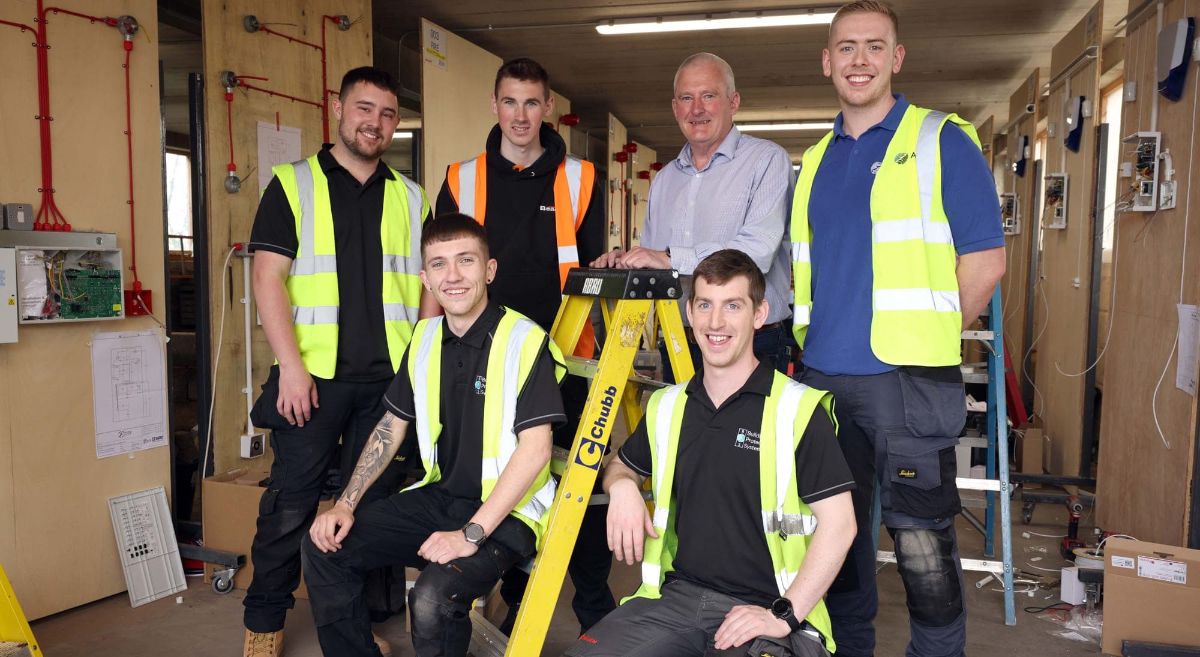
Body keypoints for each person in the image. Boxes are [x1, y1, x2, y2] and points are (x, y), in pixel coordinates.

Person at [790, 3, 1006, 657]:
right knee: (837, 537)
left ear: (897, 57)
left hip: (909, 382)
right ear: (827, 61)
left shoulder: (943, 140)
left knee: (922, 545)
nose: (860, 60)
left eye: (874, 47)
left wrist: (934, 330)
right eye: (846, 48)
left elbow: (987, 260)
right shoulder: (816, 159)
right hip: (826, 379)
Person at [567, 249, 857, 657]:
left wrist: (784, 614)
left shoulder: (797, 410)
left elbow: (841, 526)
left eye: (732, 306)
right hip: (678, 601)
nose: (715, 323)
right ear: (690, 312)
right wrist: (623, 489)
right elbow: (620, 466)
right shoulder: (668, 405)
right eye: (705, 305)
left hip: (771, 612)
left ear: (759, 314)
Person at [302, 213, 566, 657]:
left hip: (507, 513)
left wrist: (471, 533)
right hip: (439, 497)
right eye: (439, 264)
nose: (454, 275)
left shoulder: (525, 341)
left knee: (430, 599)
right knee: (326, 545)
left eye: (466, 260)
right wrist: (344, 504)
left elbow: (536, 450)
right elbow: (390, 426)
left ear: (489, 269)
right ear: (425, 279)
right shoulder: (425, 338)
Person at [243, 66, 434, 657]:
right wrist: (291, 368)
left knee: (368, 511)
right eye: (363, 109)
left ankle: (356, 629)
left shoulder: (409, 195)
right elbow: (267, 277)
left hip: (386, 387)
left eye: (385, 114)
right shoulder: (291, 184)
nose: (374, 123)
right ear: (338, 108)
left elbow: (425, 285)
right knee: (291, 504)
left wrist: (418, 369)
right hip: (312, 382)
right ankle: (263, 625)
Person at [435, 57, 613, 633]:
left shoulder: (582, 178)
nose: (520, 115)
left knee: (577, 481)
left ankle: (593, 608)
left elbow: (590, 272)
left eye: (532, 103)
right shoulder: (461, 178)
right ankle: (511, 595)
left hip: (566, 356)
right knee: (498, 477)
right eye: (510, 102)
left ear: (548, 109)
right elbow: (442, 271)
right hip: (485, 357)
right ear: (495, 105)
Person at [591, 52, 795, 376]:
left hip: (752, 344)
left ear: (734, 102)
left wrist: (670, 258)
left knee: (750, 429)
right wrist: (625, 261)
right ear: (675, 108)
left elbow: (756, 253)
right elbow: (655, 260)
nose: (696, 109)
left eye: (708, 96)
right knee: (677, 429)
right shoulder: (665, 179)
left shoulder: (767, 161)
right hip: (680, 343)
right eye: (687, 98)